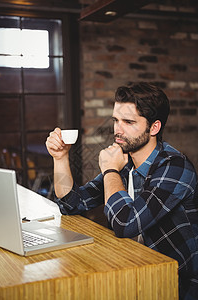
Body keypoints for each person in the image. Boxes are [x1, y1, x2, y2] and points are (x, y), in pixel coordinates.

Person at [46, 82, 198, 299]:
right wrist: (60, 157)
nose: (118, 129)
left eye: (128, 122)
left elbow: (125, 224)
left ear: (154, 127)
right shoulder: (125, 163)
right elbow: (71, 203)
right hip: (134, 269)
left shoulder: (175, 167)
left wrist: (109, 170)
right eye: (116, 120)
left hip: (176, 284)